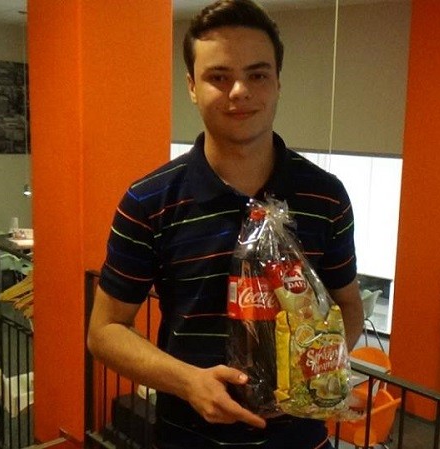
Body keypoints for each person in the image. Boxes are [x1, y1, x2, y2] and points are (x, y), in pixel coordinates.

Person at [87, 1, 364, 447]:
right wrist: (188, 382)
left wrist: (318, 368)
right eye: (219, 76)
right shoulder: (149, 200)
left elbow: (348, 305)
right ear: (192, 87)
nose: (240, 91)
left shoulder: (326, 196)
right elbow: (105, 331)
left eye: (258, 75)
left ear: (277, 83)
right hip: (188, 439)